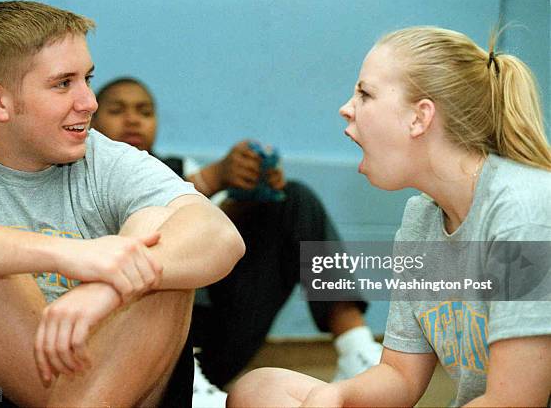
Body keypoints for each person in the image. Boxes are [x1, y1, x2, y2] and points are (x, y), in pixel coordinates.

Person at [0, 1, 245, 408]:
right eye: (63, 83)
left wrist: (108, 287)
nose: (89, 102)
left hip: (108, 382)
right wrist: (72, 254)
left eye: (87, 78)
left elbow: (221, 236)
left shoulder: (105, 159)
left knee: (157, 233)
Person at [226, 26, 551, 407]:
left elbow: (515, 402)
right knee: (260, 390)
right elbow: (400, 375)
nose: (346, 108)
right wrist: (336, 396)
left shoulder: (524, 208)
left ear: (420, 117)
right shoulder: (422, 218)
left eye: (365, 93)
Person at [91, 77, 383, 393]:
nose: (133, 119)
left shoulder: (175, 166)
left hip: (219, 334)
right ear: (92, 120)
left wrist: (251, 192)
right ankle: (185, 372)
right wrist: (209, 179)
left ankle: (356, 348)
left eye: (145, 112)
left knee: (293, 199)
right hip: (137, 351)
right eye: (117, 110)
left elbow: (217, 234)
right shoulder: (88, 178)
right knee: (175, 231)